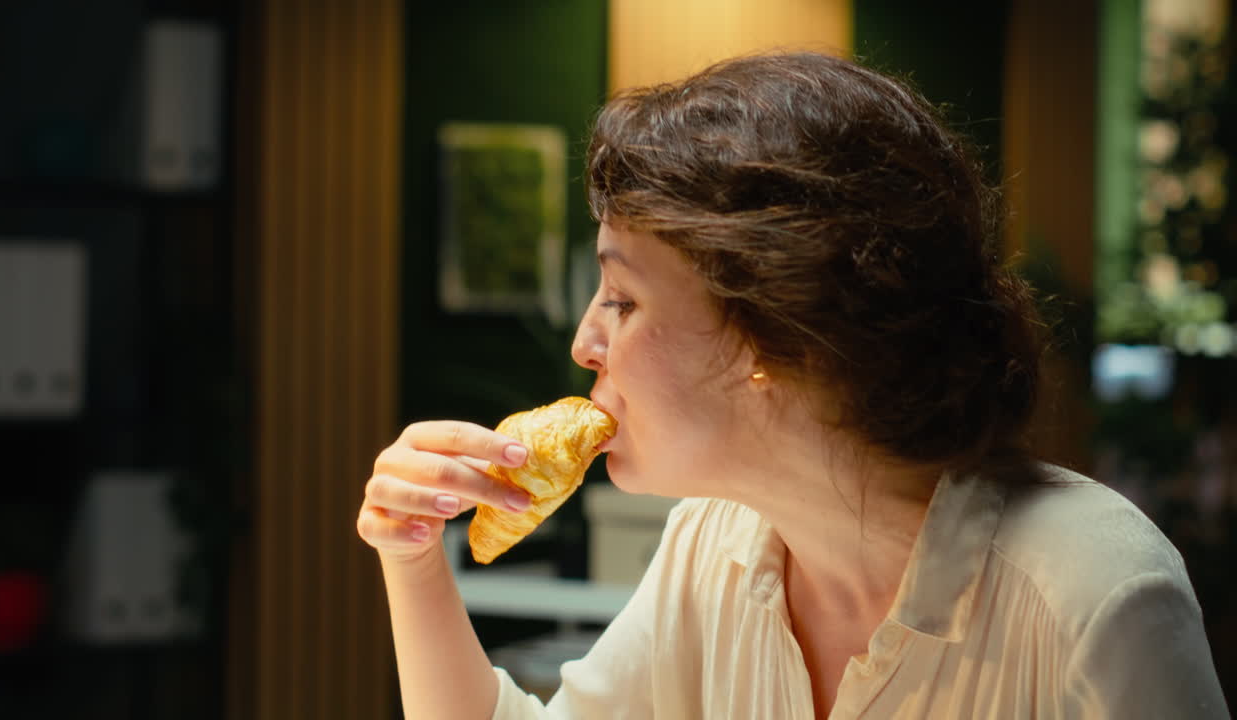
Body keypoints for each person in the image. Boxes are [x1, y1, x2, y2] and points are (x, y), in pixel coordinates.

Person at [357, 52, 1229, 719]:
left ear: (772, 331)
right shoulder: (717, 546)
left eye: (622, 297)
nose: (587, 341)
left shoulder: (1092, 590)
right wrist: (412, 557)